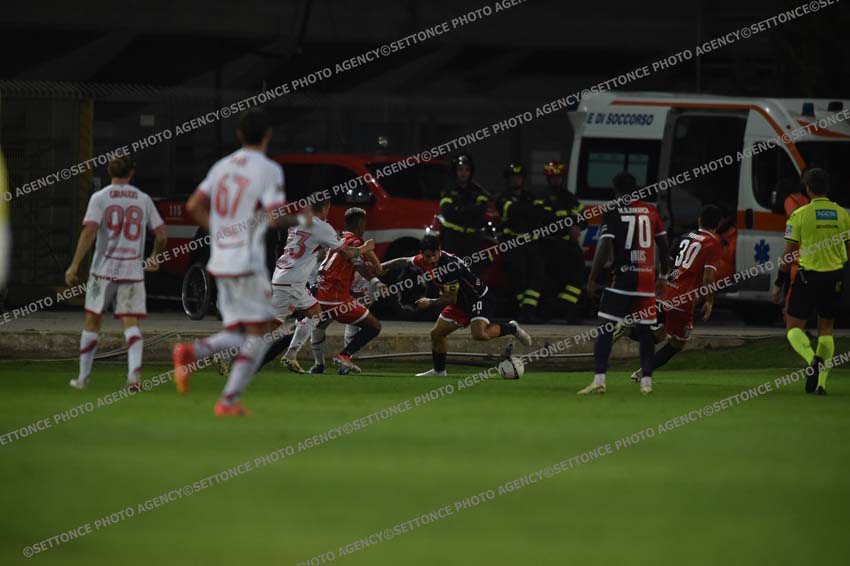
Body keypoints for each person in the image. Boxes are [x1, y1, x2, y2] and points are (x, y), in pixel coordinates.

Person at [172, 109, 297, 416]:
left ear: (240, 134)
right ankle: (223, 394)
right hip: (246, 262)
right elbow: (275, 217)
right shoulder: (268, 169)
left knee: (241, 332)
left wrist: (219, 231)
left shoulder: (221, 166)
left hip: (221, 260)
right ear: (268, 135)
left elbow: (193, 205)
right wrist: (301, 218)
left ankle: (194, 358)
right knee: (261, 333)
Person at [65, 156, 167, 391]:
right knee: (130, 322)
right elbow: (162, 235)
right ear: (132, 172)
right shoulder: (143, 199)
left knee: (93, 320)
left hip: (103, 271)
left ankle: (83, 378)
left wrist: (74, 264)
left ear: (109, 171)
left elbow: (89, 232)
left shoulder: (99, 198)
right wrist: (155, 257)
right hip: (132, 269)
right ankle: (133, 376)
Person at [381, 235, 532, 377]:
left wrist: (430, 302)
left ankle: (512, 328)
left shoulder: (449, 267)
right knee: (436, 334)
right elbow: (404, 261)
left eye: (434, 255)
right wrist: (382, 266)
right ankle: (439, 371)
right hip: (460, 302)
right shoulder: (422, 259)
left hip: (478, 298)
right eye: (427, 256)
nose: (431, 259)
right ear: (422, 254)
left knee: (479, 334)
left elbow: (450, 299)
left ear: (439, 250)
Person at [578, 172, 669, 396]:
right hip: (646, 279)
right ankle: (646, 382)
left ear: (615, 189)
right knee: (645, 331)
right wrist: (663, 275)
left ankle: (599, 380)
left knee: (606, 328)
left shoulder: (613, 210)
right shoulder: (651, 210)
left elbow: (604, 246)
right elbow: (664, 244)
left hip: (622, 278)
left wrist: (592, 277)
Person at [262, 197, 374, 373]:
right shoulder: (323, 227)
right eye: (328, 209)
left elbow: (308, 249)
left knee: (315, 314)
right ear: (325, 208)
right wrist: (365, 248)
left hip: (287, 277)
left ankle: (291, 355)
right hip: (292, 281)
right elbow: (347, 253)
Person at [620, 205, 723, 381]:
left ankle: (627, 332)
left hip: (667, 291)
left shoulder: (686, 237)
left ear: (699, 220)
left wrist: (663, 279)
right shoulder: (713, 243)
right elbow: (708, 277)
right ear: (718, 224)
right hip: (683, 299)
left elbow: (667, 260)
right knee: (677, 343)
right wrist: (710, 300)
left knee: (659, 335)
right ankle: (641, 371)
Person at [772, 168, 850, 395]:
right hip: (835, 276)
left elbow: (788, 254)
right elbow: (847, 249)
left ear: (807, 188)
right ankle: (821, 384)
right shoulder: (842, 214)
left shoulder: (800, 214)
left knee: (793, 328)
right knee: (827, 329)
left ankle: (811, 360)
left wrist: (779, 282)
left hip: (808, 276)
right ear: (828, 188)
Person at [313, 207, 385, 373]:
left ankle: (318, 365)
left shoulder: (337, 238)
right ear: (360, 223)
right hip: (336, 297)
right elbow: (359, 264)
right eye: (364, 223)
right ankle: (344, 356)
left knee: (319, 326)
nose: (365, 226)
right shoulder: (356, 242)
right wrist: (377, 282)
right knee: (373, 326)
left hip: (320, 292)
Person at [498, 163, 548, 322]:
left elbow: (540, 213)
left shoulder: (531, 196)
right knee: (519, 278)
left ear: (523, 179)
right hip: (513, 244)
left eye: (519, 177)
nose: (516, 180)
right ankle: (524, 311)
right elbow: (512, 211)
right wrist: (528, 210)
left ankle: (529, 310)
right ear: (508, 179)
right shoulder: (502, 198)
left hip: (532, 244)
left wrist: (522, 210)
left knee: (537, 276)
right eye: (513, 177)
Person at [541, 160, 587, 321]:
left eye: (558, 177)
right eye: (553, 177)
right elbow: (546, 220)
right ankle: (549, 312)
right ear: (548, 178)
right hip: (552, 244)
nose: (556, 180)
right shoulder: (543, 197)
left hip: (571, 245)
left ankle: (568, 310)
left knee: (578, 276)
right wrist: (569, 227)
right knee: (555, 280)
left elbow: (584, 218)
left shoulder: (570, 197)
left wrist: (577, 226)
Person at [439, 154, 490, 271]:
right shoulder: (448, 189)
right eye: (460, 169)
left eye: (467, 170)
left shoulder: (477, 190)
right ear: (455, 171)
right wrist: (471, 210)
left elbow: (481, 210)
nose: (464, 173)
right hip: (452, 238)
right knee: (452, 271)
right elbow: (448, 212)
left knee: (473, 272)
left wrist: (459, 209)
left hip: (472, 239)